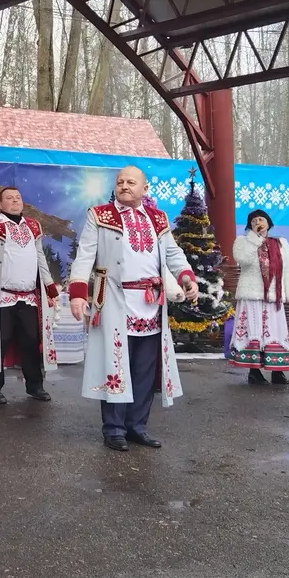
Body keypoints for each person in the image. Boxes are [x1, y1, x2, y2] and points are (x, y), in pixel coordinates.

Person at [68, 166, 197, 451]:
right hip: (115, 300)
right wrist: (77, 293)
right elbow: (85, 254)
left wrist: (186, 276)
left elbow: (174, 253)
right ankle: (113, 429)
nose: (124, 186)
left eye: (131, 182)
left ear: (144, 188)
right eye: (120, 181)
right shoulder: (100, 215)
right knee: (115, 366)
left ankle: (137, 427)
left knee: (144, 370)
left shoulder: (158, 218)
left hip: (151, 304)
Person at [0, 187, 60, 404]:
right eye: (9, 198)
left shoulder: (33, 227)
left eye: (18, 197)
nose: (15, 201)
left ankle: (35, 385)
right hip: (1, 295)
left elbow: (40, 259)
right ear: (0, 204)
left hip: (28, 295)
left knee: (31, 341)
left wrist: (50, 289)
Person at [227, 209, 289, 385]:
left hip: (273, 297)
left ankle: (277, 371)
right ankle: (254, 372)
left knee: (275, 333)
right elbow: (243, 259)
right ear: (249, 226)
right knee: (254, 333)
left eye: (261, 219)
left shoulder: (280, 243)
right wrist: (256, 239)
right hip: (252, 296)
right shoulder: (243, 242)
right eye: (253, 221)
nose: (257, 222)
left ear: (269, 223)